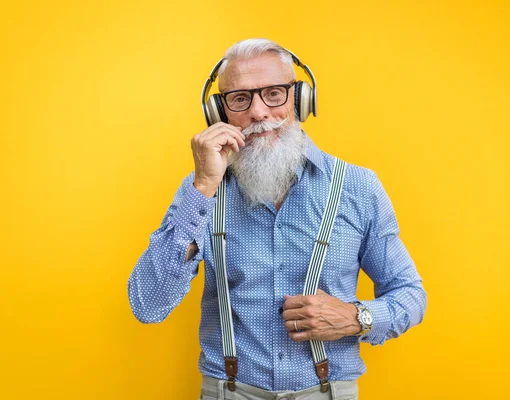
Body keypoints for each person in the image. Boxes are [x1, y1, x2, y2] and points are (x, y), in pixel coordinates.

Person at [127, 38, 427, 400]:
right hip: (229, 392)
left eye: (274, 93)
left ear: (300, 101)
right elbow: (147, 304)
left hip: (328, 392)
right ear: (218, 113)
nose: (258, 112)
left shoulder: (358, 187)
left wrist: (355, 317)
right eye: (240, 99)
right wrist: (203, 185)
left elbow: (410, 294)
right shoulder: (201, 192)